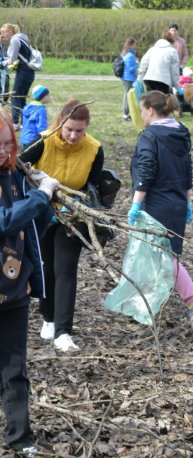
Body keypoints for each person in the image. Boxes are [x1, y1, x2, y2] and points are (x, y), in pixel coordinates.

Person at [20, 100, 105, 352]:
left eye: (79, 131)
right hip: (42, 214)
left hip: (72, 217)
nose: (73, 135)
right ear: (60, 122)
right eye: (69, 129)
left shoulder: (94, 149)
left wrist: (81, 205)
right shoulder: (42, 142)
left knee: (66, 270)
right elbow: (18, 168)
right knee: (45, 268)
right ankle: (48, 317)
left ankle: (63, 332)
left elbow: (93, 186)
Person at [0, 107, 56, 456]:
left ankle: (21, 438)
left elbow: (34, 226)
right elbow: (5, 220)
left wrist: (42, 193)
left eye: (9, 144)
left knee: (14, 368)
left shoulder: (16, 176)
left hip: (14, 290)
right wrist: (41, 197)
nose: (5, 152)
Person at [127, 91, 193, 322]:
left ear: (150, 110)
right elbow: (187, 169)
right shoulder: (180, 133)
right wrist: (188, 201)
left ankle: (192, 301)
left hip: (156, 204)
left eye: (142, 110)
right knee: (159, 255)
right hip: (177, 203)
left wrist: (136, 205)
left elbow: (146, 171)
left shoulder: (150, 136)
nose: (141, 115)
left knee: (161, 256)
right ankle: (147, 303)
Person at [1, 24, 35, 130]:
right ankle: (24, 123)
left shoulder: (15, 40)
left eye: (3, 32)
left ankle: (15, 124)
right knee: (21, 98)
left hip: (24, 71)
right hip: (28, 71)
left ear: (10, 32)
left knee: (15, 97)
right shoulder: (22, 38)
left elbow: (12, 59)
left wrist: (2, 63)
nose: (2, 35)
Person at [137, 30, 180, 94]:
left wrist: (139, 80)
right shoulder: (172, 51)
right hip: (163, 81)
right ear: (172, 41)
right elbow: (174, 72)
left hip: (149, 79)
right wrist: (177, 87)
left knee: (151, 101)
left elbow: (143, 64)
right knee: (162, 102)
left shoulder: (152, 50)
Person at [20, 85, 50, 150]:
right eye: (47, 95)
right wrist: (45, 138)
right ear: (42, 97)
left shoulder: (26, 107)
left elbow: (23, 123)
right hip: (33, 141)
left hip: (24, 139)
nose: (49, 97)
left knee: (24, 158)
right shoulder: (41, 110)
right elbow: (41, 128)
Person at [120, 37, 138, 122]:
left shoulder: (125, 53)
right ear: (131, 45)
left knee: (126, 95)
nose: (135, 46)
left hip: (125, 78)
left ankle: (126, 113)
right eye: (134, 44)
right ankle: (125, 114)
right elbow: (131, 69)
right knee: (127, 96)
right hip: (129, 78)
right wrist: (137, 64)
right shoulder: (130, 56)